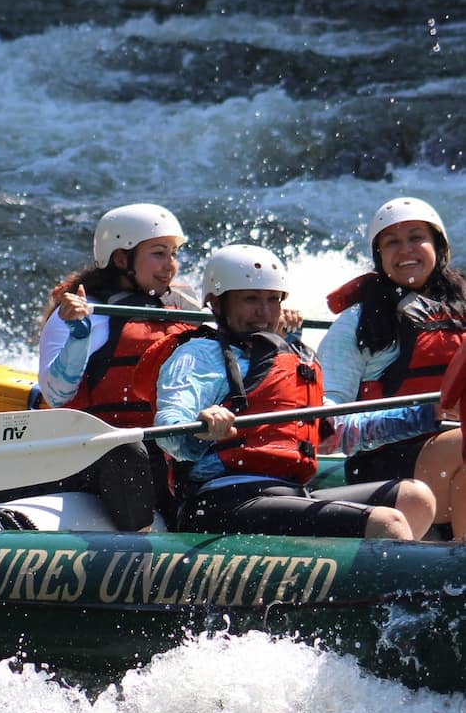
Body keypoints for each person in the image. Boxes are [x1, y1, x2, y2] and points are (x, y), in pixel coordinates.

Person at [146, 243, 435, 539]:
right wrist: (200, 428)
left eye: (273, 300)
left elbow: (336, 430)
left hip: (288, 494)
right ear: (217, 304)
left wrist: (428, 415)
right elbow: (169, 425)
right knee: (387, 523)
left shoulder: (290, 360)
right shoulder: (199, 355)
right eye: (250, 299)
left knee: (415, 498)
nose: (264, 312)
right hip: (221, 503)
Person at [37, 202, 200, 529]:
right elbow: (56, 395)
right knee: (128, 452)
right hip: (96, 452)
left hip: (164, 450)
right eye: (158, 253)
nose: (170, 265)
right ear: (122, 258)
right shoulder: (84, 313)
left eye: (173, 254)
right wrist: (78, 337)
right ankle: (140, 544)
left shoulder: (179, 307)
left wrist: (276, 331)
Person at [316, 195, 466, 538]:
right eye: (392, 242)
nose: (405, 250)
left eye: (416, 238)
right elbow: (327, 429)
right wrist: (424, 415)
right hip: (388, 470)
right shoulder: (356, 324)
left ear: (438, 247)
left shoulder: (462, 308)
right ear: (379, 255)